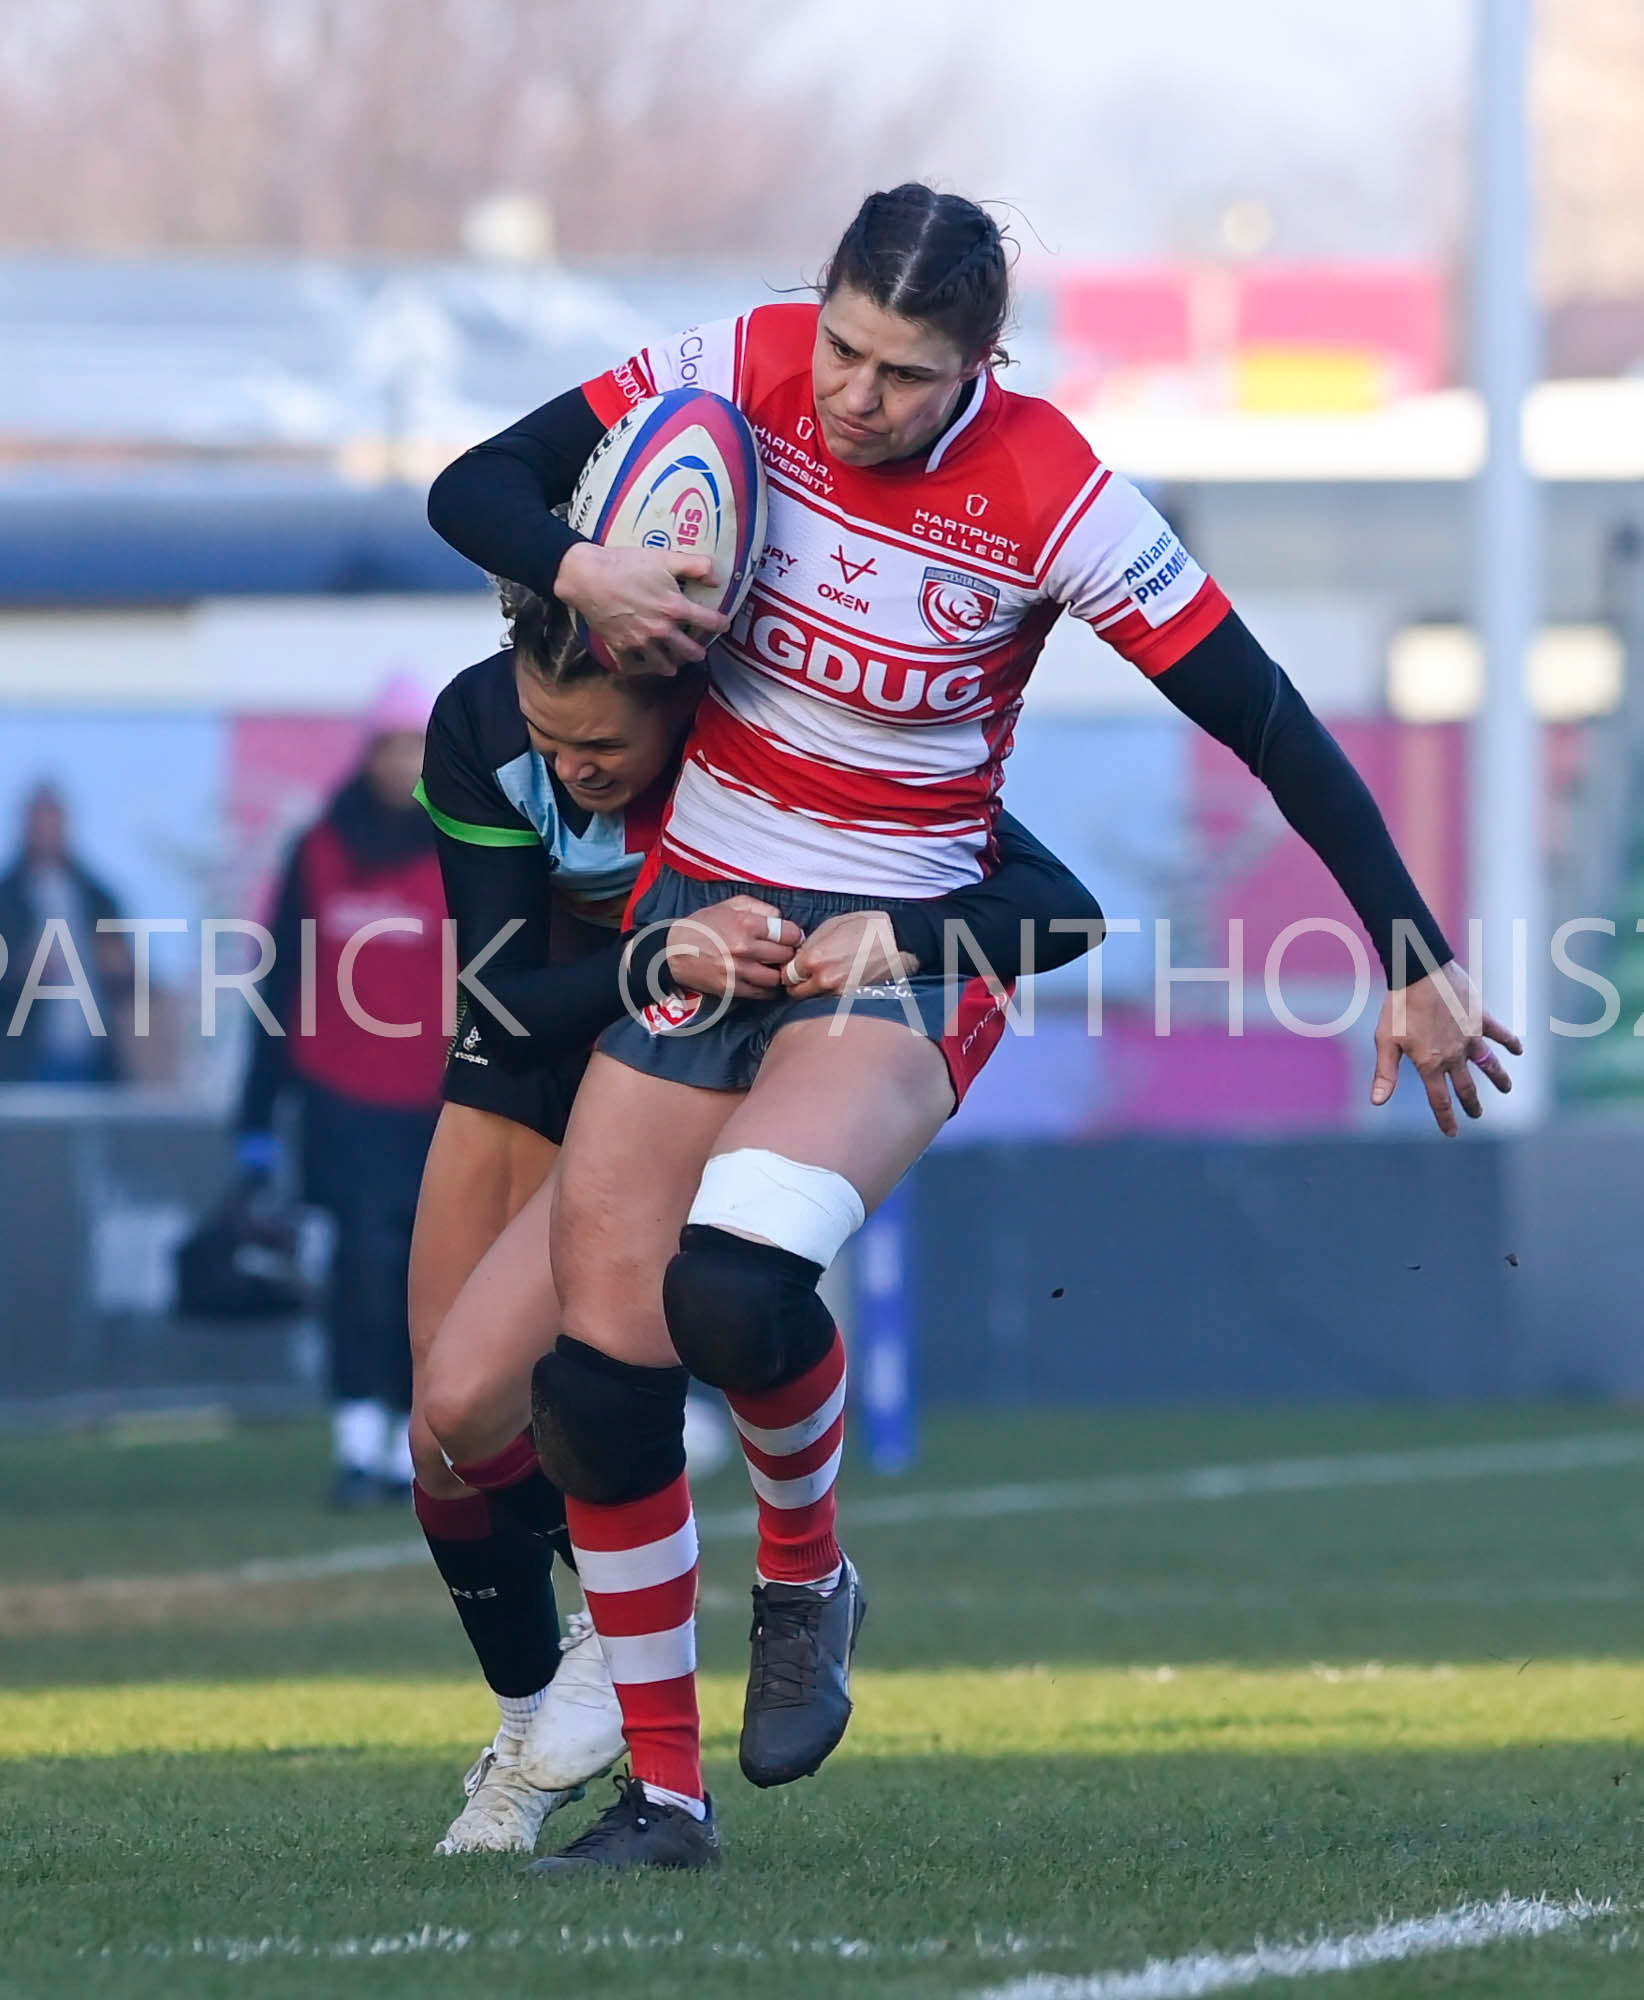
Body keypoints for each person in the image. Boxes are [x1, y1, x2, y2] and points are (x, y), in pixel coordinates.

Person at [426, 182, 1522, 1873]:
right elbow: (469, 486)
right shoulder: (742, 368)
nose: (855, 395)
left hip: (905, 950)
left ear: (980, 367)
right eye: (845, 347)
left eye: (903, 372)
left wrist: (1408, 949)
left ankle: (804, 1572)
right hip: (696, 927)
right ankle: (664, 1800)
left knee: (734, 1278)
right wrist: (583, 564)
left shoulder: (1051, 491)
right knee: (591, 1380)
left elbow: (1261, 716)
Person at [406, 578, 1105, 1853]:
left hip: (689, 1055)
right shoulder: (483, 723)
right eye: (551, 740)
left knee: (666, 1329)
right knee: (449, 1426)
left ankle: (640, 1691)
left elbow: (1057, 906)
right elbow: (500, 998)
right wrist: (658, 956)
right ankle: (547, 1703)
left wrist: (888, 939)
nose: (571, 770)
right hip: (550, 1034)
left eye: (603, 747)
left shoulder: (775, 739)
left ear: (690, 699)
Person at [236, 674, 446, 1506]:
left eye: (420, 748)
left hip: (434, 1100)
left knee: (422, 1277)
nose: (406, 764)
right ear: (369, 754)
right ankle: (357, 1435)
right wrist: (256, 1115)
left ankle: (407, 1442)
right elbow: (278, 981)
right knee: (359, 1269)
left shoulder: (462, 846)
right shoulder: (319, 849)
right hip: (340, 1099)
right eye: (394, 746)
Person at [0, 783, 130, 1084]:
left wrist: (118, 966)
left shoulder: (99, 897)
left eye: (54, 823)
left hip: (95, 1054)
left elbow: (126, 972)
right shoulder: (5, 899)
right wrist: (22, 971)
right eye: (39, 824)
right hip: (24, 1056)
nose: (47, 833)